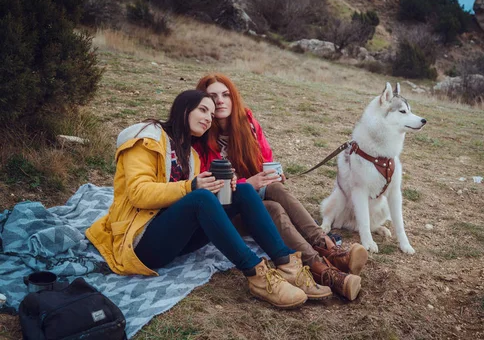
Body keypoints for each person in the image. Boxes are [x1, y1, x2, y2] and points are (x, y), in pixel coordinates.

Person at [86, 90, 325, 309]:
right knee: (199, 197)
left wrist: (224, 188)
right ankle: (257, 275)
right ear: (183, 109)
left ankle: (287, 265)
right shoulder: (146, 139)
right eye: (203, 109)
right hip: (140, 242)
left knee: (243, 191)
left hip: (176, 240)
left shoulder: (190, 155)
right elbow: (139, 193)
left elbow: (194, 203)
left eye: (211, 113)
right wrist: (193, 186)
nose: (209, 118)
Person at [195, 74, 368, 301]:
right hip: (227, 211)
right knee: (273, 209)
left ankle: (329, 255)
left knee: (275, 192)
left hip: (255, 201)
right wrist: (250, 183)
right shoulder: (201, 134)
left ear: (233, 97)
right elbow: (213, 191)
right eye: (212, 96)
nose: (220, 101)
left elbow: (266, 159)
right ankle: (325, 269)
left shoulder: (247, 124)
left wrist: (274, 174)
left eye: (225, 94)